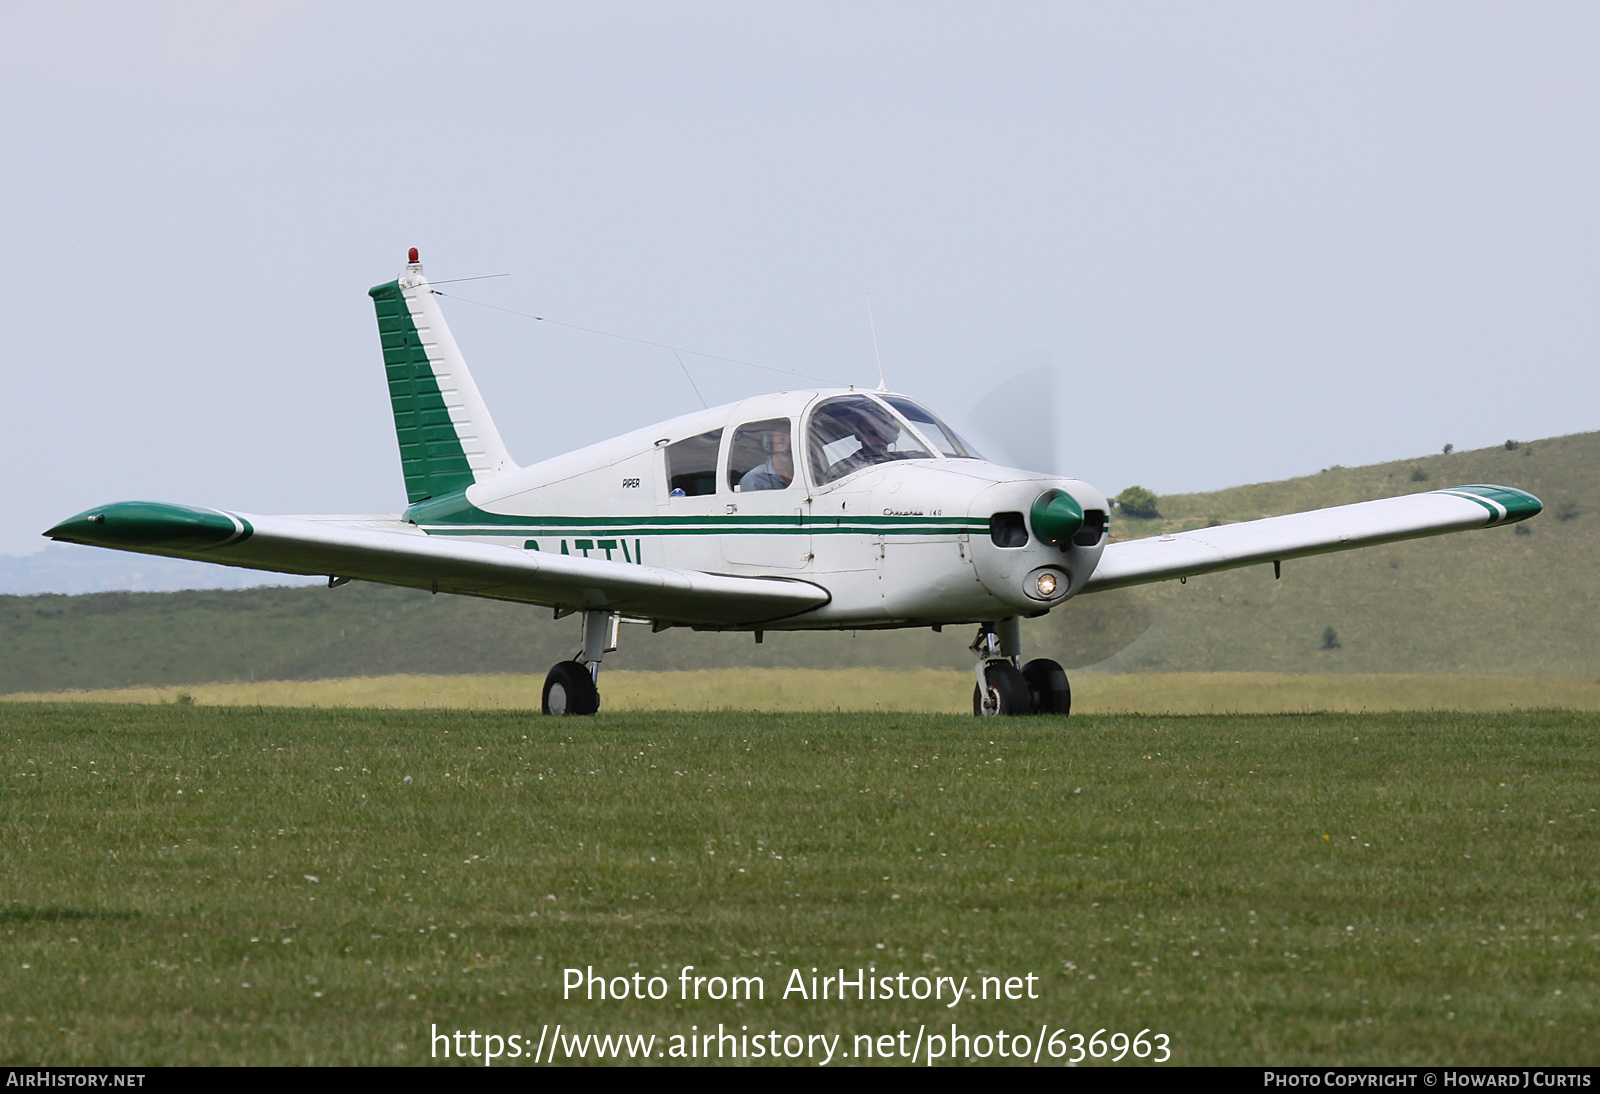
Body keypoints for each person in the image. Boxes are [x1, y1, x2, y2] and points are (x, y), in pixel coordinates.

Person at [826, 407, 901, 479]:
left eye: (885, 433)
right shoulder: (845, 469)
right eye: (874, 433)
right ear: (861, 436)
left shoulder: (899, 461)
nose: (882, 438)